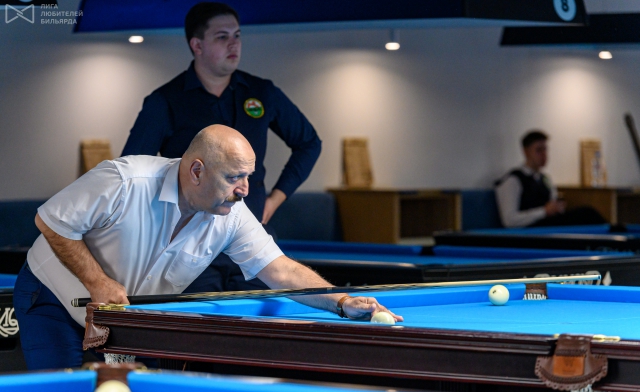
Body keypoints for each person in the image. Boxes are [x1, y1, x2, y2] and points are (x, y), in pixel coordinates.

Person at [13, 125, 401, 371]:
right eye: (234, 177)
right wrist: (96, 281)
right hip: (52, 298)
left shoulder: (231, 214)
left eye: (248, 177)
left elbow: (280, 269)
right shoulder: (125, 181)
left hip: (127, 315)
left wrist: (341, 301)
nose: (245, 190)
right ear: (196, 170)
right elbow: (50, 221)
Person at [121, 2, 322, 293]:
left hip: (251, 240)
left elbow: (309, 143)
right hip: (190, 245)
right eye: (222, 37)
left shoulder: (261, 92)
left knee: (258, 319)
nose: (234, 44)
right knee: (198, 322)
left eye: (237, 35)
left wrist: (274, 200)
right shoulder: (165, 101)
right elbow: (132, 170)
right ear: (197, 45)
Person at [495, 130, 605, 228]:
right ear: (526, 152)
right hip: (530, 230)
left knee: (587, 215)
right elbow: (509, 220)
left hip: (548, 225)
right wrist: (544, 211)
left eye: (545, 149)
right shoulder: (513, 180)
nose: (544, 154)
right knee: (586, 214)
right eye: (539, 150)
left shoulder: (545, 179)